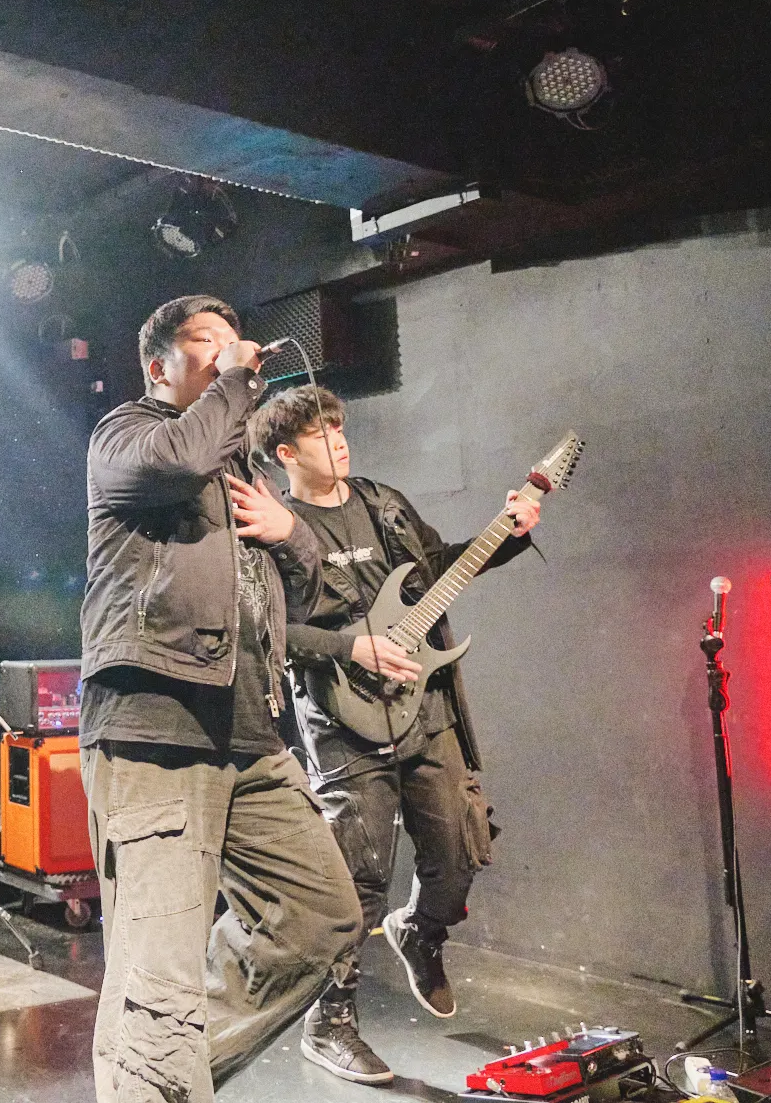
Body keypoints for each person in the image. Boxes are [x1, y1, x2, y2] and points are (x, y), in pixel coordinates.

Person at [79, 295, 363, 1103]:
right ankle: (156, 1070)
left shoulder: (242, 476)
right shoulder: (128, 434)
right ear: (158, 364)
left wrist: (291, 531)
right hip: (155, 731)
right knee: (159, 979)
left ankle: (161, 1072)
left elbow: (316, 602)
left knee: (320, 919)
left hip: (250, 738)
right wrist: (235, 380)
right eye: (205, 341)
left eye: (233, 341)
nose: (228, 351)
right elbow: (176, 460)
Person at [248, 384, 538, 1084]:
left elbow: (443, 567)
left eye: (340, 426)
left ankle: (421, 930)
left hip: (426, 706)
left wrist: (509, 532)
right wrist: (350, 647)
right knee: (358, 882)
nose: (339, 440)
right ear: (286, 453)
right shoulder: (276, 526)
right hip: (342, 721)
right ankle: (330, 1021)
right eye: (321, 433)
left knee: (461, 850)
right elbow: (267, 633)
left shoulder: (385, 504)